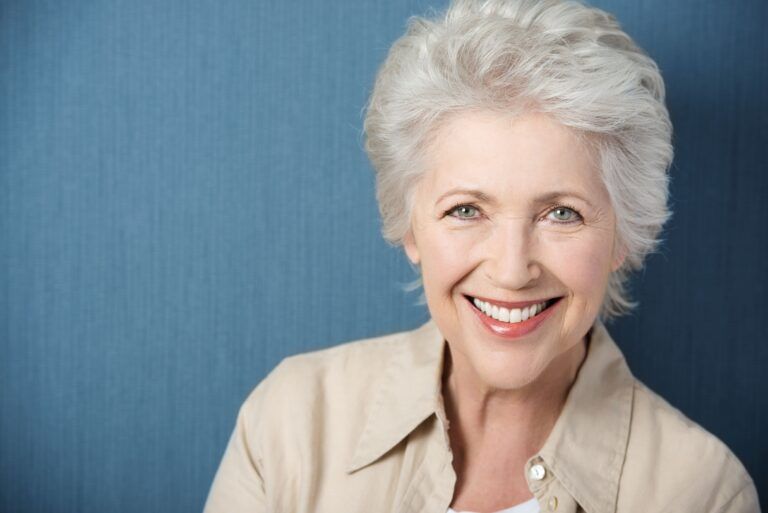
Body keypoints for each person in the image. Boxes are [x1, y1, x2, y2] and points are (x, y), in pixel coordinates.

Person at [204, 1, 760, 512]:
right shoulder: (288, 426)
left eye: (561, 213)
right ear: (410, 228)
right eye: (467, 210)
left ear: (622, 237)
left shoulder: (704, 492)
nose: (512, 270)